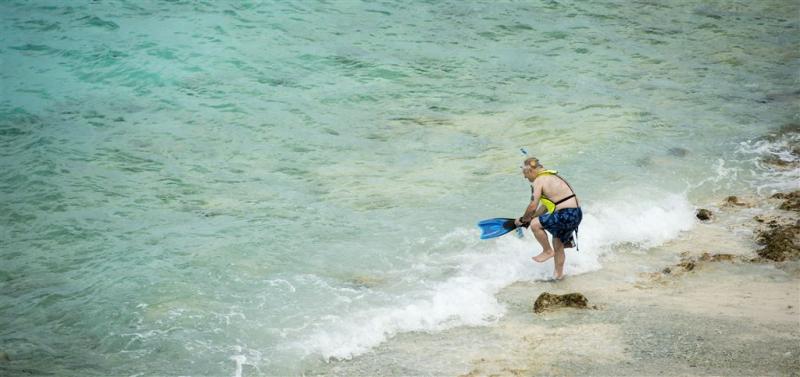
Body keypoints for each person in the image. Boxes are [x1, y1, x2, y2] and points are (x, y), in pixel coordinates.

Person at [514, 157, 582, 280]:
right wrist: (531, 217)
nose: (525, 178)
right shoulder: (554, 177)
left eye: (524, 174)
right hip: (576, 213)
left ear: (530, 170)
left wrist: (524, 220)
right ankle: (558, 276)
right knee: (558, 244)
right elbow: (546, 206)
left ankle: (547, 251)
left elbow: (533, 205)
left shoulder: (539, 181)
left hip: (565, 214)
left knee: (535, 224)